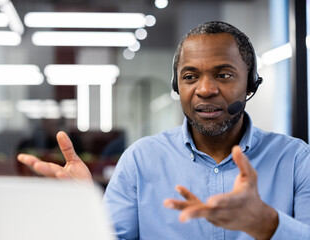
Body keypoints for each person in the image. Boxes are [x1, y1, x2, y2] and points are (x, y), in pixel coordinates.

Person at [18, 21, 310, 239]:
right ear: (177, 86)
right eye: (190, 76)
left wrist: (268, 223)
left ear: (251, 84)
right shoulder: (140, 160)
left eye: (223, 74)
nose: (205, 90)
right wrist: (83, 208)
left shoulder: (296, 159)